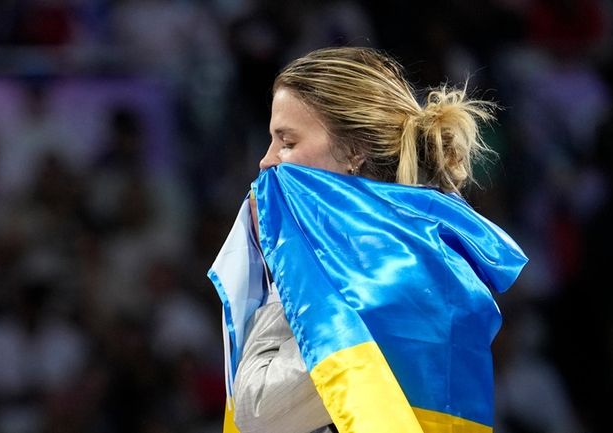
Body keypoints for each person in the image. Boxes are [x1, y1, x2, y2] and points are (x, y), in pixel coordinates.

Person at [209, 47, 527, 433]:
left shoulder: (387, 275)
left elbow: (259, 412)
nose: (267, 160)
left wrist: (285, 262)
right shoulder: (400, 252)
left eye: (286, 142)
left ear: (355, 152)